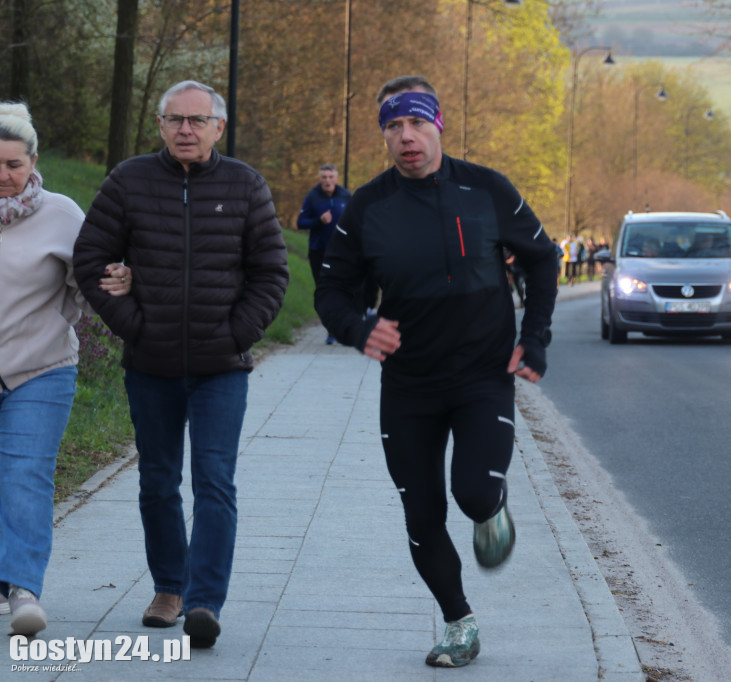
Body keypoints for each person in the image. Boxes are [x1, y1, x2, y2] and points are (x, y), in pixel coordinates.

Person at [315, 75, 559, 669]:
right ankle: (458, 621)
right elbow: (332, 289)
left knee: (473, 492)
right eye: (393, 127)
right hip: (409, 382)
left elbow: (543, 257)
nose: (406, 138)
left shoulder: (486, 189)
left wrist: (535, 340)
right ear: (384, 136)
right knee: (422, 512)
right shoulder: (367, 207)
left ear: (438, 125)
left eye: (417, 124)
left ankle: (491, 505)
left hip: (482, 374)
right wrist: (356, 327)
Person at [73, 80, 289, 649]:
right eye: (175, 120)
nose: (185, 130)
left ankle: (203, 602)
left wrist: (237, 331)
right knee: (157, 481)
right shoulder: (129, 180)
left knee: (214, 482)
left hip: (222, 368)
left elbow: (271, 272)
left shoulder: (245, 185)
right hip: (151, 363)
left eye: (197, 120)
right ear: (161, 126)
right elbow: (91, 256)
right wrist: (131, 324)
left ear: (219, 127)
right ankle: (169, 587)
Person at [0, 102, 131, 637]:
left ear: (34, 162)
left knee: (25, 476)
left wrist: (120, 285)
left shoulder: (61, 214)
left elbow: (92, 284)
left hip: (40, 368)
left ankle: (24, 591)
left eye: (13, 163)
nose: (3, 175)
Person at [296, 164, 352, 344]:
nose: (327, 181)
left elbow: (357, 220)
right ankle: (331, 330)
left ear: (336, 178)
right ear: (320, 179)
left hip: (343, 252)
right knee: (324, 291)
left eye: (330, 177)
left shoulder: (346, 196)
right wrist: (318, 221)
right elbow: (301, 222)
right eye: (324, 177)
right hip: (319, 251)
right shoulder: (313, 197)